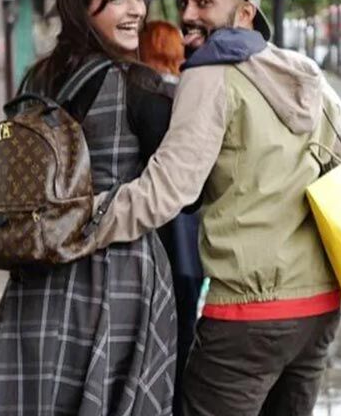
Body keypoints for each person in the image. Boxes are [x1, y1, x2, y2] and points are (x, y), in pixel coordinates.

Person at [94, 0, 341, 416]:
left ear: (244, 14)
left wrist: (83, 221)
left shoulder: (211, 72)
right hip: (319, 309)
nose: (188, 16)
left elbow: (167, 189)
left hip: (249, 313)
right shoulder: (308, 76)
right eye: (183, 2)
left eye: (203, 2)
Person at [0, 0, 177, 416]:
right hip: (116, 271)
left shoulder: (38, 76)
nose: (135, 9)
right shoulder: (141, 86)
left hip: (40, 267)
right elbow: (180, 196)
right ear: (81, 4)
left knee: (40, 393)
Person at [138, 20, 204, 415]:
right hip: (190, 238)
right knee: (185, 328)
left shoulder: (144, 97)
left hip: (153, 235)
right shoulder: (188, 97)